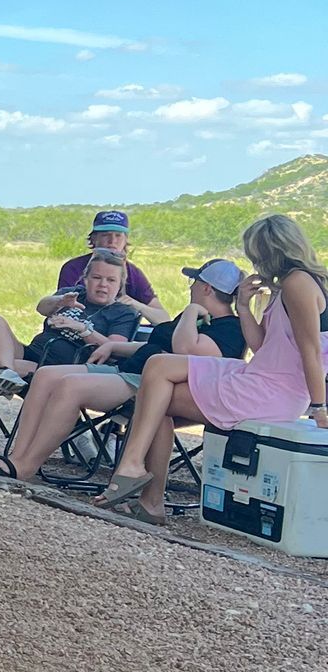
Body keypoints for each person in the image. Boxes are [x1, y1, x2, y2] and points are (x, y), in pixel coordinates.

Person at [98, 216, 328, 521]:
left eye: (254, 253)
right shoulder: (288, 285)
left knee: (157, 390)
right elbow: (264, 348)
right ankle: (146, 493)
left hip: (271, 391)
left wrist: (319, 406)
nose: (254, 261)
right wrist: (244, 307)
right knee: (158, 380)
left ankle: (135, 472)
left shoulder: (297, 283)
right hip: (260, 376)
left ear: (268, 250)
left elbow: (310, 350)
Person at [0, 260, 246, 488]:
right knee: (47, 375)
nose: (191, 288)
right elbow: (158, 346)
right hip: (128, 370)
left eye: (195, 282)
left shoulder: (230, 329)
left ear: (207, 288)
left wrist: (189, 313)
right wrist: (114, 345)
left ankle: (27, 466)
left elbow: (186, 350)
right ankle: (16, 456)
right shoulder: (197, 319)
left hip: (149, 386)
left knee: (71, 387)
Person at [0, 248, 145, 453]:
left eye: (110, 280)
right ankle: (6, 371)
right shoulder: (73, 294)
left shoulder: (123, 313)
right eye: (96, 277)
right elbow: (42, 307)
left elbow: (113, 348)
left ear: (120, 285)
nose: (103, 284)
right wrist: (60, 302)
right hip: (34, 354)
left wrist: (82, 329)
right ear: (86, 279)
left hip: (61, 369)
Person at [56, 210, 164, 313]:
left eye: (118, 235)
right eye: (105, 235)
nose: (112, 241)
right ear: (93, 238)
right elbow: (60, 307)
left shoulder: (133, 273)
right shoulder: (73, 268)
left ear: (126, 239)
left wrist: (136, 305)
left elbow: (161, 317)